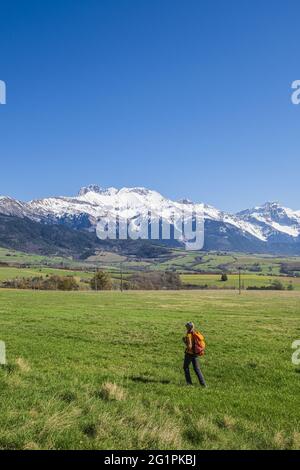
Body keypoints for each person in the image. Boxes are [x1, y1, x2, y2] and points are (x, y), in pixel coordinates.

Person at [183, 321, 206, 387]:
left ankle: (189, 383)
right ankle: (203, 384)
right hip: (196, 353)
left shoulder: (189, 335)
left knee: (185, 367)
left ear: (188, 328)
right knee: (197, 369)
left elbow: (189, 346)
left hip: (189, 354)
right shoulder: (195, 333)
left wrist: (184, 341)